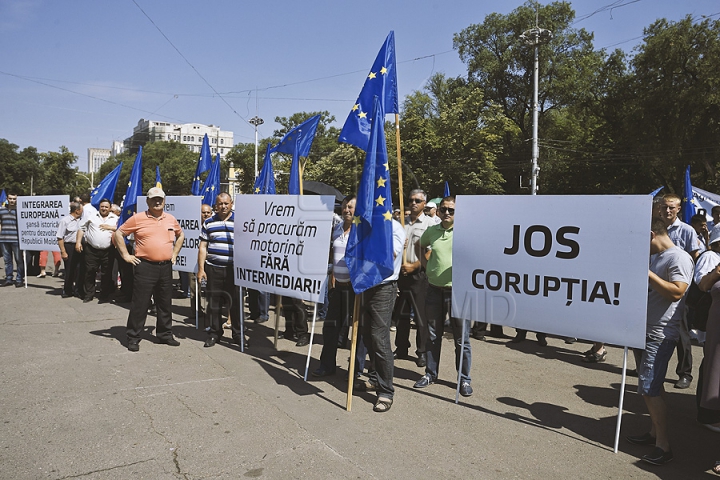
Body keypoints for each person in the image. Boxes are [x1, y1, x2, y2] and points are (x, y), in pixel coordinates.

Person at [626, 218, 693, 466]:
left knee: (649, 389)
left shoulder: (679, 258)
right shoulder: (658, 257)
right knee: (653, 387)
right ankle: (654, 433)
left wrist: (644, 272)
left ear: (652, 234)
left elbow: (677, 291)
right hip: (644, 330)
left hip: (660, 333)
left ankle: (664, 447)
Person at [413, 196, 473, 397]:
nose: (447, 213)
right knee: (432, 335)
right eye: (443, 209)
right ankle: (431, 373)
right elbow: (418, 246)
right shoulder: (432, 231)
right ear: (438, 211)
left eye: (451, 210)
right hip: (433, 289)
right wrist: (425, 265)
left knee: (461, 339)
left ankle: (463, 379)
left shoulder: (466, 233)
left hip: (458, 292)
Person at [114, 187, 184, 352]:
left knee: (165, 303)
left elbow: (181, 235)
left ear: (164, 201)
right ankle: (133, 337)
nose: (157, 202)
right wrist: (125, 255)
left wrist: (174, 253)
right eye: (154, 199)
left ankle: (165, 334)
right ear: (147, 201)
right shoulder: (138, 219)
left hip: (165, 267)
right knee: (140, 304)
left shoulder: (171, 219)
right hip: (144, 266)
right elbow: (119, 234)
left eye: (160, 199)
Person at [355, 214, 406, 413]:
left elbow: (390, 255)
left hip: (383, 287)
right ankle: (375, 379)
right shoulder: (365, 225)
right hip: (364, 285)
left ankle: (386, 390)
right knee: (367, 335)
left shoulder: (394, 228)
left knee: (380, 337)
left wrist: (366, 248)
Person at [657, 193, 699, 390]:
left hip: (678, 290)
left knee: (681, 333)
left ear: (678, 209)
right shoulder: (655, 227)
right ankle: (648, 368)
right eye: (665, 207)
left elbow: (695, 258)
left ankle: (684, 373)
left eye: (671, 207)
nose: (667, 210)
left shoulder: (687, 231)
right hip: (656, 288)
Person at [313, 195, 357, 377]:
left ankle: (357, 369)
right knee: (330, 327)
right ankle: (327, 365)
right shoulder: (337, 230)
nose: (347, 210)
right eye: (345, 207)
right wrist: (332, 275)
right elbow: (332, 254)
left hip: (356, 290)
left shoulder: (361, 232)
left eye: (351, 207)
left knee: (359, 332)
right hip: (338, 287)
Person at [393, 189, 432, 367]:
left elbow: (431, 251)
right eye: (411, 200)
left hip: (419, 276)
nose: (413, 203)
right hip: (400, 275)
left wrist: (415, 265)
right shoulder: (401, 223)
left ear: (424, 203)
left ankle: (422, 351)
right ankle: (401, 347)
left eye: (418, 200)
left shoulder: (431, 224)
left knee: (420, 315)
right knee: (401, 313)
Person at [197, 193, 243, 348]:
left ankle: (238, 335)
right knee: (214, 303)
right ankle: (215, 334)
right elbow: (203, 247)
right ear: (215, 205)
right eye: (220, 204)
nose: (223, 206)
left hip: (234, 270)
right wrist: (201, 269)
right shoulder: (209, 223)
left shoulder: (240, 221)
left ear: (231, 204)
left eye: (226, 203)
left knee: (235, 304)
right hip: (213, 269)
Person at [693, 226, 720, 435]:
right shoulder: (713, 258)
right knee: (712, 371)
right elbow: (703, 285)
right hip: (715, 329)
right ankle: (708, 414)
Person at [77, 199, 118, 303]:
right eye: (102, 206)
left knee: (106, 274)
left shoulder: (115, 218)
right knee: (90, 272)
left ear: (110, 208)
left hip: (108, 251)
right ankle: (89, 294)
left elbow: (121, 229)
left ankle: (104, 295)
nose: (104, 208)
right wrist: (78, 242)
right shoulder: (91, 216)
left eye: (106, 207)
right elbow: (81, 228)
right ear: (99, 207)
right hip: (91, 250)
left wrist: (110, 227)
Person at [56, 201, 84, 298]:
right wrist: (63, 251)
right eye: (81, 210)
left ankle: (78, 290)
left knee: (80, 269)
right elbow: (60, 237)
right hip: (69, 246)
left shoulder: (82, 220)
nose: (83, 211)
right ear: (77, 211)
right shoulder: (65, 221)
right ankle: (67, 289)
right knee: (70, 269)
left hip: (80, 245)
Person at [0, 193, 24, 287]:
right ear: (7, 199)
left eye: (14, 199)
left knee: (19, 260)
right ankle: (9, 278)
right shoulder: (1, 210)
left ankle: (19, 279)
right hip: (4, 239)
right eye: (10, 198)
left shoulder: (19, 211)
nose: (12, 200)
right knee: (7, 261)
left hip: (16, 239)